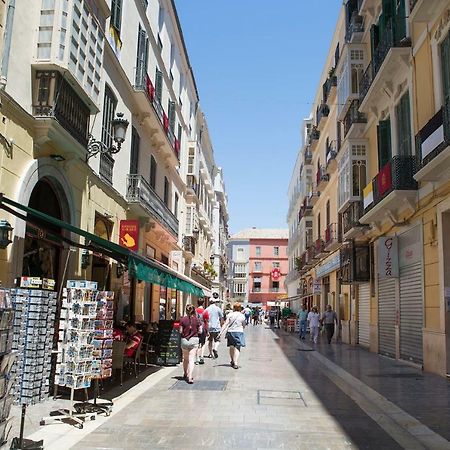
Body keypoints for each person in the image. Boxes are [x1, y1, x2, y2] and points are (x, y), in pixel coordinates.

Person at [179, 304, 201, 383]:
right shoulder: (197, 320)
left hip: (185, 340)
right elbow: (200, 331)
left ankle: (185, 373)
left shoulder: (182, 319)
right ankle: (190, 376)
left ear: (186, 310)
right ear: (194, 311)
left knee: (185, 359)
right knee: (192, 359)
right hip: (194, 340)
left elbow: (180, 331)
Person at [223, 302, 246, 369]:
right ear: (240, 308)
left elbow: (226, 324)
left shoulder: (230, 315)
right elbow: (244, 325)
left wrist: (221, 333)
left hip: (230, 332)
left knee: (231, 346)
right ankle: (235, 363)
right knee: (237, 347)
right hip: (239, 332)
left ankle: (232, 360)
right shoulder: (242, 316)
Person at [195, 298, 209, 365]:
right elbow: (207, 321)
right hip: (203, 328)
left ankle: (197, 358)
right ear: (203, 303)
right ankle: (202, 356)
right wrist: (208, 331)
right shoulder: (205, 311)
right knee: (203, 343)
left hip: (196, 329)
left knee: (197, 344)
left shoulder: (195, 311)